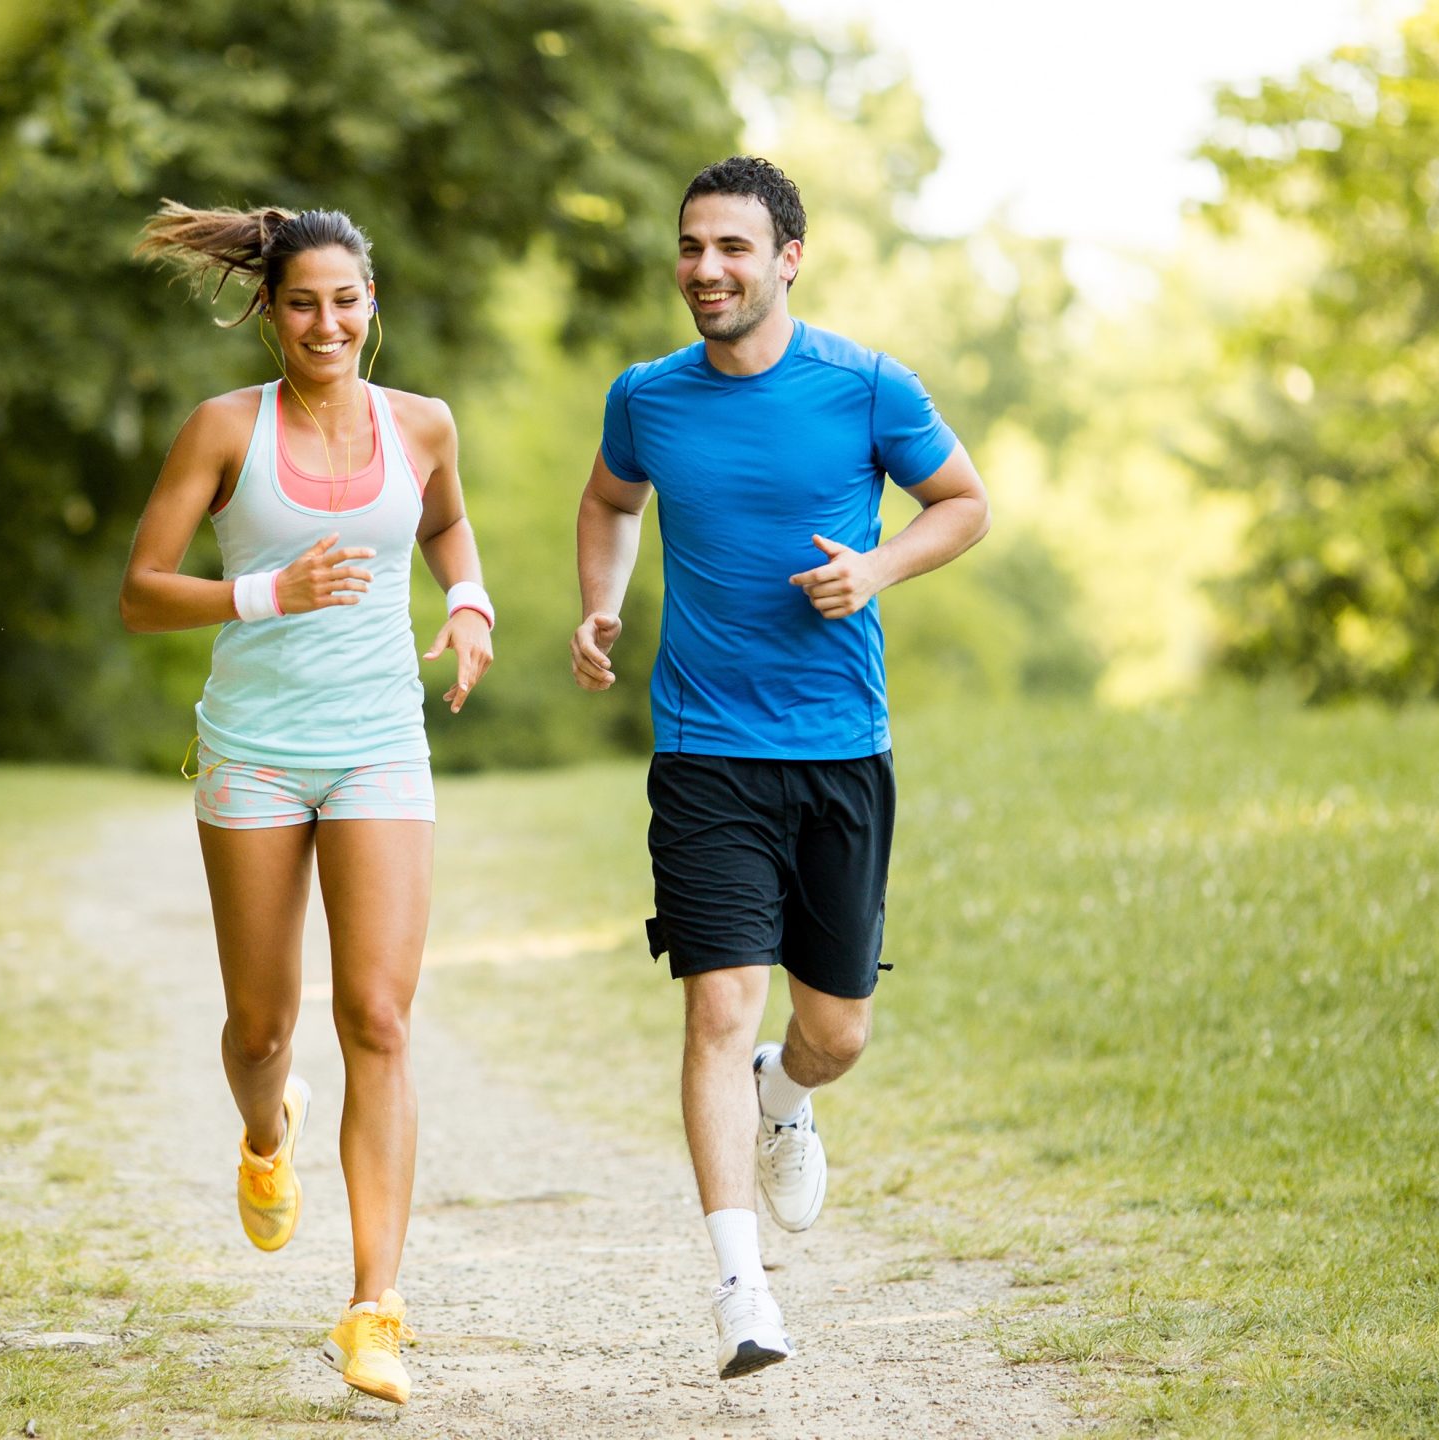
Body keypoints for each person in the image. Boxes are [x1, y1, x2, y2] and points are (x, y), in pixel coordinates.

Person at [569, 156, 991, 1380]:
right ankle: (741, 1292)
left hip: (839, 751)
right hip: (704, 754)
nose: (706, 269)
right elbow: (608, 503)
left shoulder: (863, 386)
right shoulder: (647, 398)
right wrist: (600, 604)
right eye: (691, 246)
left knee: (837, 1033)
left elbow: (962, 503)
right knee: (715, 1005)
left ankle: (787, 1097)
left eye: (732, 249)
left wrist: (876, 570)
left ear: (787, 257)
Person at [121, 201, 495, 1407]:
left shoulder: (423, 425)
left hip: (381, 743)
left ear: (370, 303)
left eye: (345, 300)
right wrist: (265, 592)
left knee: (378, 1020)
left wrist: (471, 598)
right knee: (262, 1030)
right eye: (301, 302)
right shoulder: (224, 428)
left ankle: (373, 1308)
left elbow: (441, 522)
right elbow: (140, 591)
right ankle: (266, 1130)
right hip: (257, 753)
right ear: (270, 310)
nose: (325, 322)